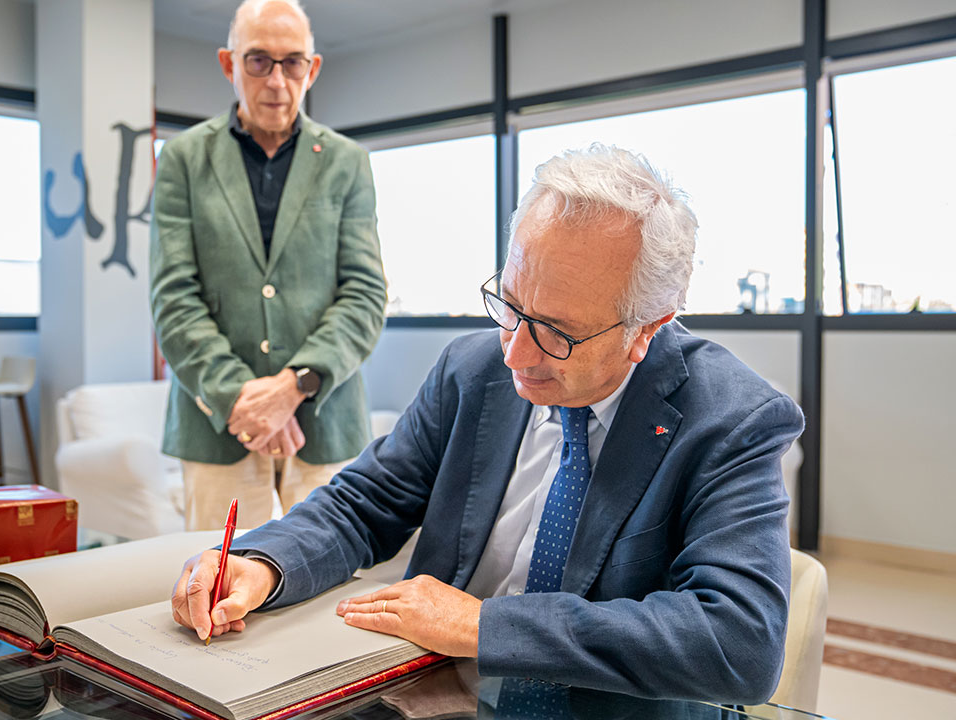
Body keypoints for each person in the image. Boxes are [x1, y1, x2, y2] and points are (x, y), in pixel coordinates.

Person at [169, 145, 805, 704]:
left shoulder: (731, 419)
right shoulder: (471, 370)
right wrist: (264, 563)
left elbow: (738, 641)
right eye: (511, 304)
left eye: (558, 333)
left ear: (649, 328)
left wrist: (485, 627)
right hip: (426, 694)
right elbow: (365, 504)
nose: (516, 354)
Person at [150, 0, 387, 531]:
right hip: (216, 425)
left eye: (292, 62)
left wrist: (293, 386)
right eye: (258, 61)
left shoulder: (348, 162)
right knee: (216, 587)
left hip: (324, 421)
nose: (277, 80)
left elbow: (365, 294)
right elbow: (173, 297)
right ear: (229, 65)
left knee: (329, 586)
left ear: (313, 68)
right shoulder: (184, 159)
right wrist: (242, 399)